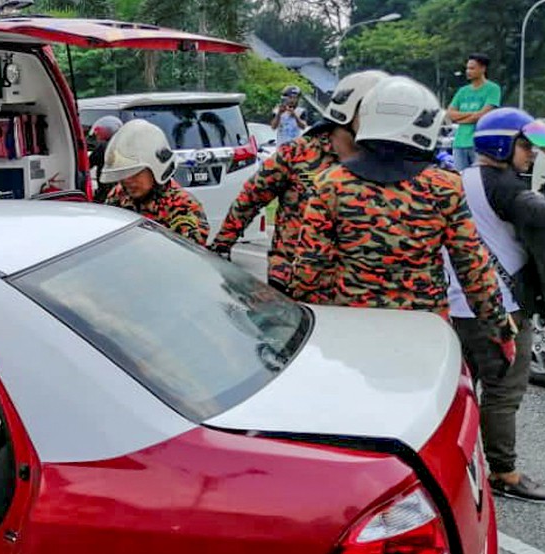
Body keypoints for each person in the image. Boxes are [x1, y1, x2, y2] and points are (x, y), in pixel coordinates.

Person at [288, 76, 516, 356]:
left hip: (353, 328)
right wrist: (499, 330)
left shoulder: (330, 184)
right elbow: (472, 269)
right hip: (424, 329)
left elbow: (309, 271)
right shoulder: (444, 186)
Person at [445, 108, 545, 502]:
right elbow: (540, 214)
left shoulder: (461, 178)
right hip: (501, 309)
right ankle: (505, 474)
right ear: (502, 145)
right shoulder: (505, 185)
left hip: (458, 303)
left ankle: (454, 465)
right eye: (525, 146)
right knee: (503, 392)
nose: (530, 155)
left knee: (460, 390)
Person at [211, 70, 389, 289]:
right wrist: (222, 247)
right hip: (292, 281)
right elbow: (251, 198)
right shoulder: (298, 153)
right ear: (348, 111)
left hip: (356, 288)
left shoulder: (387, 162)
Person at [101, 119, 209, 246]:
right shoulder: (119, 194)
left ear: (155, 169)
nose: (127, 180)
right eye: (124, 173)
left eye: (135, 173)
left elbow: (185, 257)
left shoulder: (183, 207)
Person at [447, 53, 501, 170]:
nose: (468, 71)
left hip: (479, 144)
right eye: (467, 68)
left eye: (472, 68)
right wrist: (472, 114)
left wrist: (460, 119)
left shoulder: (493, 89)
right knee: (460, 181)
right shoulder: (462, 91)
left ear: (483, 69)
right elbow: (450, 114)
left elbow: (483, 115)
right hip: (459, 143)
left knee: (478, 180)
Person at [87, 115, 123, 203]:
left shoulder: (103, 147)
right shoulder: (123, 146)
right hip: (120, 192)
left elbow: (87, 165)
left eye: (98, 131)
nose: (96, 135)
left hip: (105, 193)